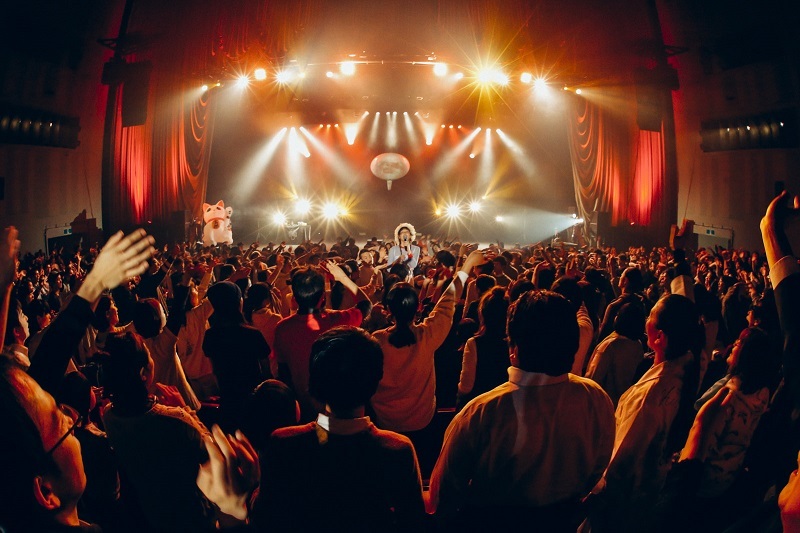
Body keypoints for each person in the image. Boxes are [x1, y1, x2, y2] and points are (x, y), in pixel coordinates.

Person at [429, 290, 616, 532]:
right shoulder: (596, 400)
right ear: (572, 345)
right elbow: (597, 471)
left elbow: (442, 494)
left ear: (513, 347)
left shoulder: (480, 413)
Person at [253, 326, 426, 532]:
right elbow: (413, 523)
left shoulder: (284, 443)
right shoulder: (397, 450)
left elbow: (266, 518)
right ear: (375, 381)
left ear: (315, 380)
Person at [272, 260, 371, 421]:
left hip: (303, 410)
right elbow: (366, 305)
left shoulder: (282, 329)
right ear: (323, 298)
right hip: (337, 408)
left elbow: (284, 372)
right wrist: (343, 279)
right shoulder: (337, 320)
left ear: (294, 298)